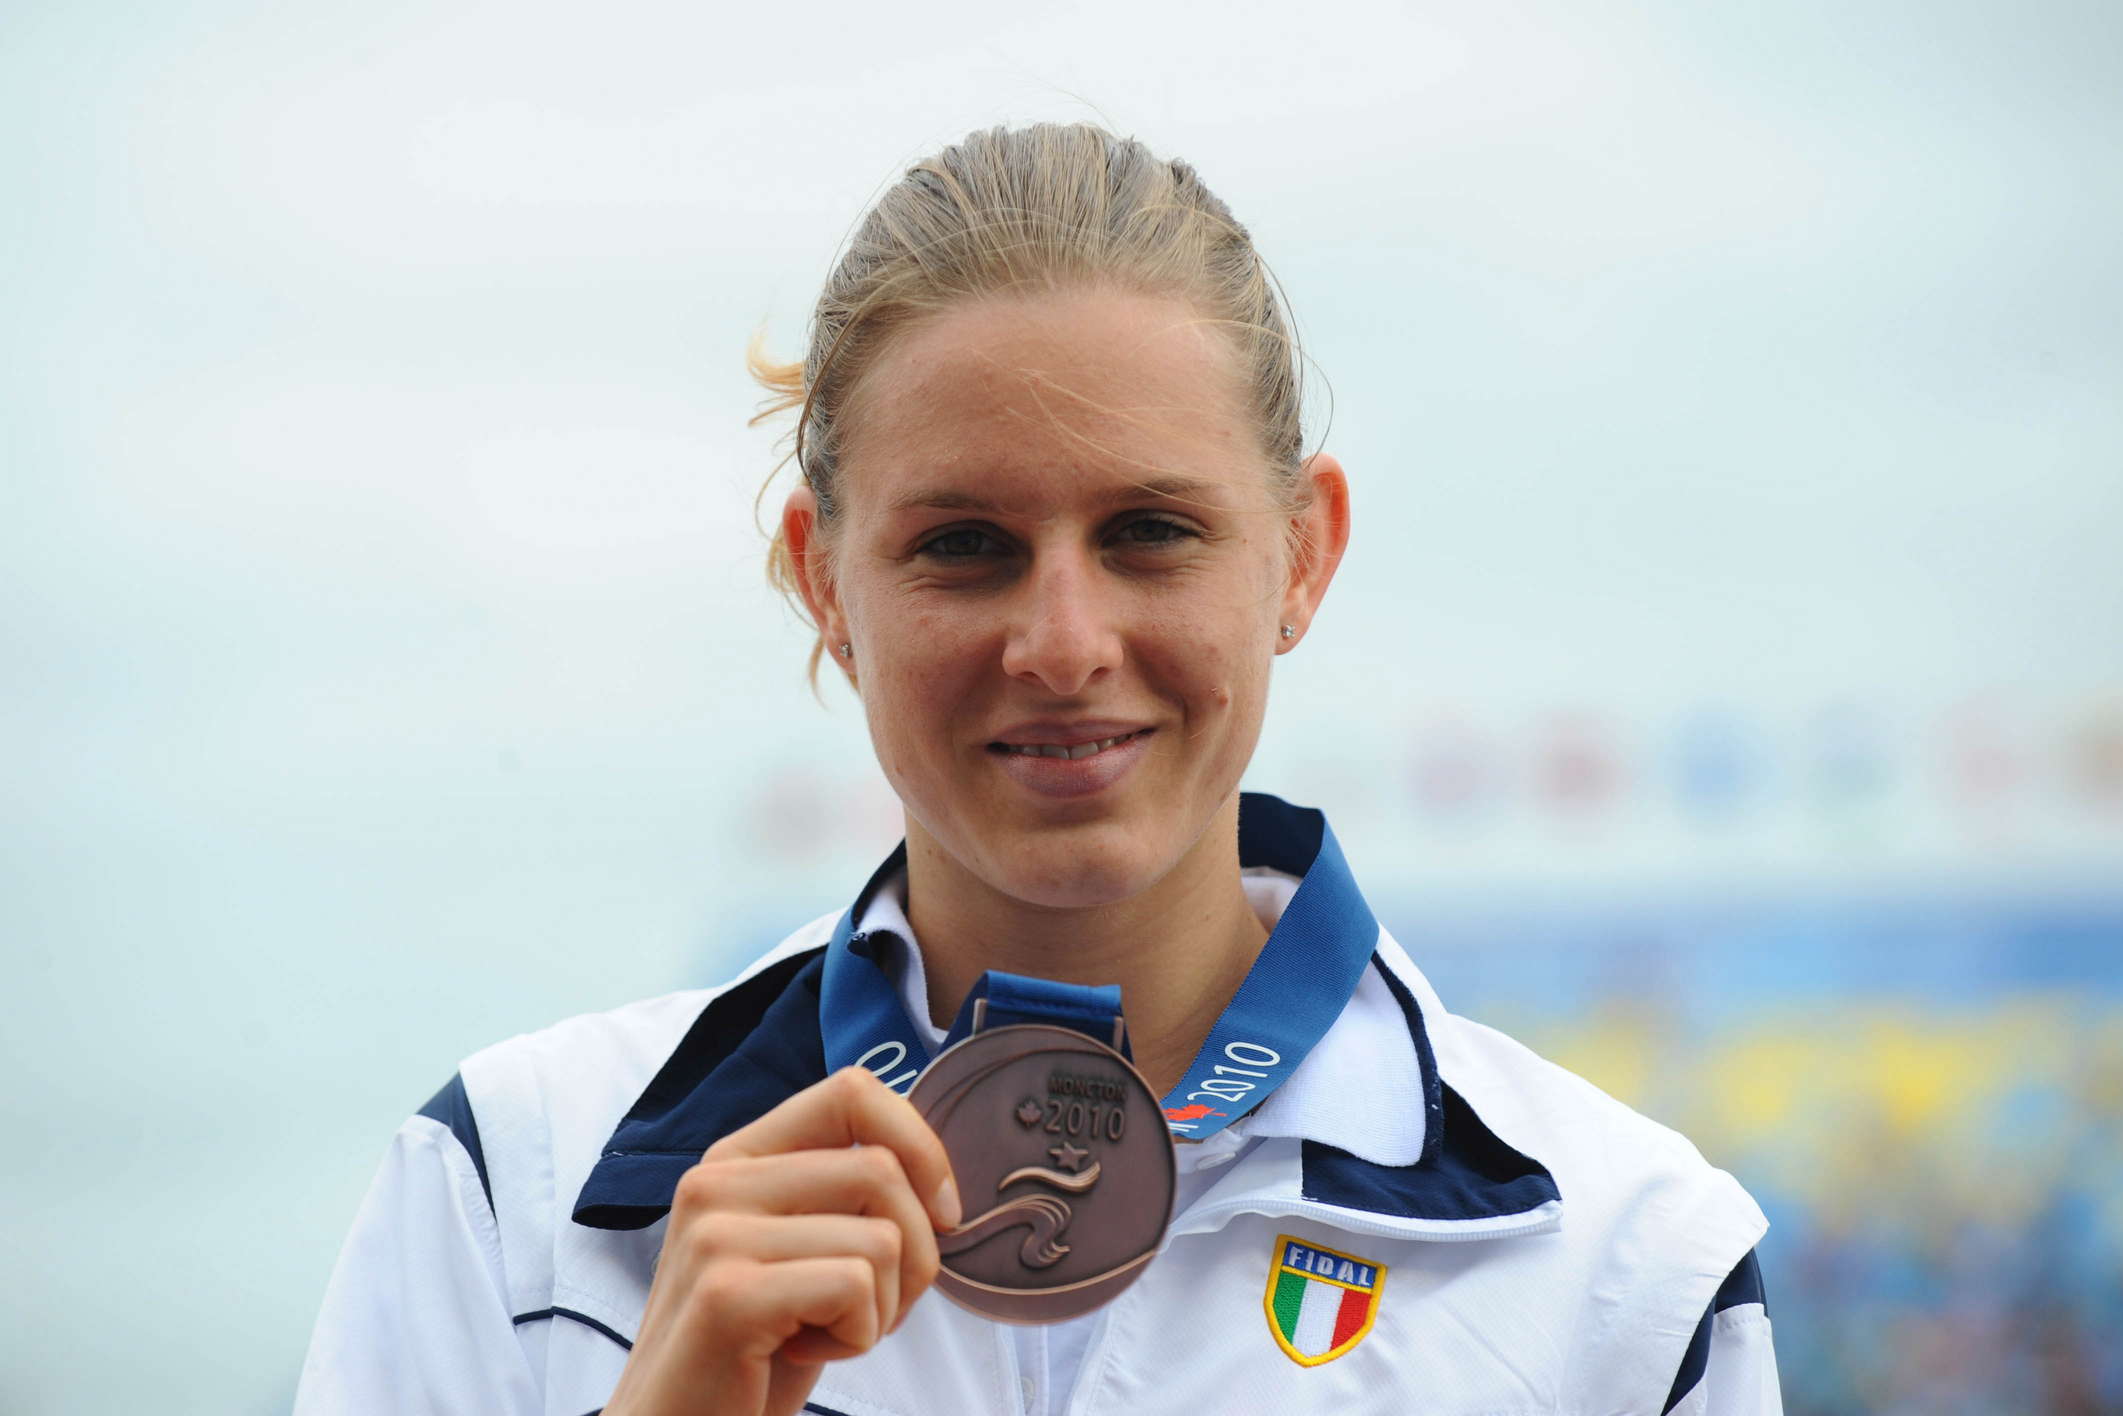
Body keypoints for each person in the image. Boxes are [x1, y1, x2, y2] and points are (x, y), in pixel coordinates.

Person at [295, 121, 1782, 1415]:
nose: (1064, 646)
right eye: (964, 545)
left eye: (1150, 532)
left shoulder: (1626, 1272)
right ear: (822, 581)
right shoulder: (513, 1196)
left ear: (1300, 554)